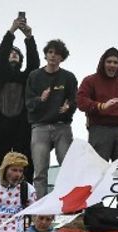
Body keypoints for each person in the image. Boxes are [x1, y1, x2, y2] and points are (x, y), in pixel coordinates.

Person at [77, 48, 118, 209]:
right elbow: (81, 101)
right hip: (99, 128)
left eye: (115, 62)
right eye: (109, 62)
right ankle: (94, 208)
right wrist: (100, 106)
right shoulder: (90, 80)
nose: (112, 65)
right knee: (96, 170)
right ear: (103, 63)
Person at [0, 16, 39, 176]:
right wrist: (12, 31)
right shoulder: (0, 76)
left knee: (26, 165)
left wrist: (29, 37)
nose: (13, 54)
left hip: (22, 126)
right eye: (11, 53)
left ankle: (26, 197)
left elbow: (34, 64)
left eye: (16, 53)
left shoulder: (26, 78)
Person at [25, 38, 77, 198]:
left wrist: (69, 108)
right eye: (50, 52)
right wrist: (40, 99)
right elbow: (28, 103)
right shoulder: (35, 76)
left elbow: (75, 100)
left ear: (62, 58)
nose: (53, 56)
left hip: (62, 126)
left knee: (67, 167)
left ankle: (68, 204)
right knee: (40, 170)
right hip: (40, 126)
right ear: (46, 55)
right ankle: (41, 207)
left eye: (57, 54)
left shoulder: (68, 77)